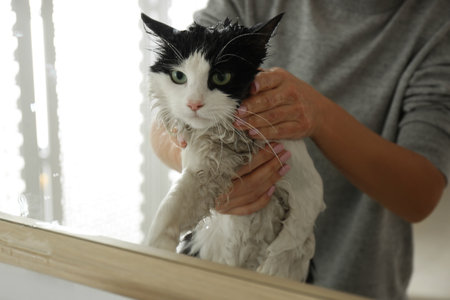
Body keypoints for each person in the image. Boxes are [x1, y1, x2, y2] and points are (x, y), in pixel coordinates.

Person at [150, 1, 450, 299]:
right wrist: (214, 177)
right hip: (216, 278)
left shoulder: (437, 25)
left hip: (354, 284)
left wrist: (319, 116)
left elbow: (420, 195)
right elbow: (162, 129)